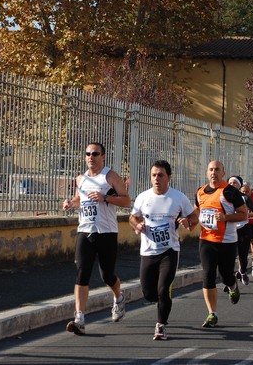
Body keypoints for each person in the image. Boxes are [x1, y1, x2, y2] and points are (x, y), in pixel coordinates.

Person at [62, 142, 131, 335]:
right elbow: (79, 199)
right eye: (88, 154)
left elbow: (127, 200)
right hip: (85, 231)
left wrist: (105, 198)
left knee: (106, 275)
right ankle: (80, 318)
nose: (91, 157)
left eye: (95, 153)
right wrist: (70, 203)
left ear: (103, 157)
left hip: (106, 232)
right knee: (82, 273)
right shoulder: (80, 179)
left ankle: (118, 297)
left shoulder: (110, 176)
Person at [129, 160, 199, 340]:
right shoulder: (143, 197)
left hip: (169, 250)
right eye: (154, 175)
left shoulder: (178, 197)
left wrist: (187, 222)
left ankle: (161, 325)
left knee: (162, 289)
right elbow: (132, 217)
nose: (157, 178)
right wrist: (137, 225)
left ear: (169, 177)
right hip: (148, 251)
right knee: (148, 293)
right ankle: (161, 298)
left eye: (160, 175)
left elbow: (193, 216)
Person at [195, 160, 247, 327]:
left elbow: (243, 215)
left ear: (223, 172)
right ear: (206, 172)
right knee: (208, 275)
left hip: (227, 241)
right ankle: (212, 313)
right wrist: (189, 220)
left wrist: (226, 218)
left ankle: (233, 286)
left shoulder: (231, 192)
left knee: (225, 275)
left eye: (217, 169)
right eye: (210, 169)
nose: (213, 172)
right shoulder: (200, 192)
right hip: (206, 240)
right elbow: (197, 210)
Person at [228, 176, 253, 285]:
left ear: (239, 185)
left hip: (243, 229)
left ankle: (242, 271)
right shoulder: (222, 197)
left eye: (235, 183)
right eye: (230, 182)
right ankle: (230, 279)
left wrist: (247, 214)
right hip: (228, 230)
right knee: (229, 256)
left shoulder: (244, 198)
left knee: (243, 254)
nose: (232, 184)